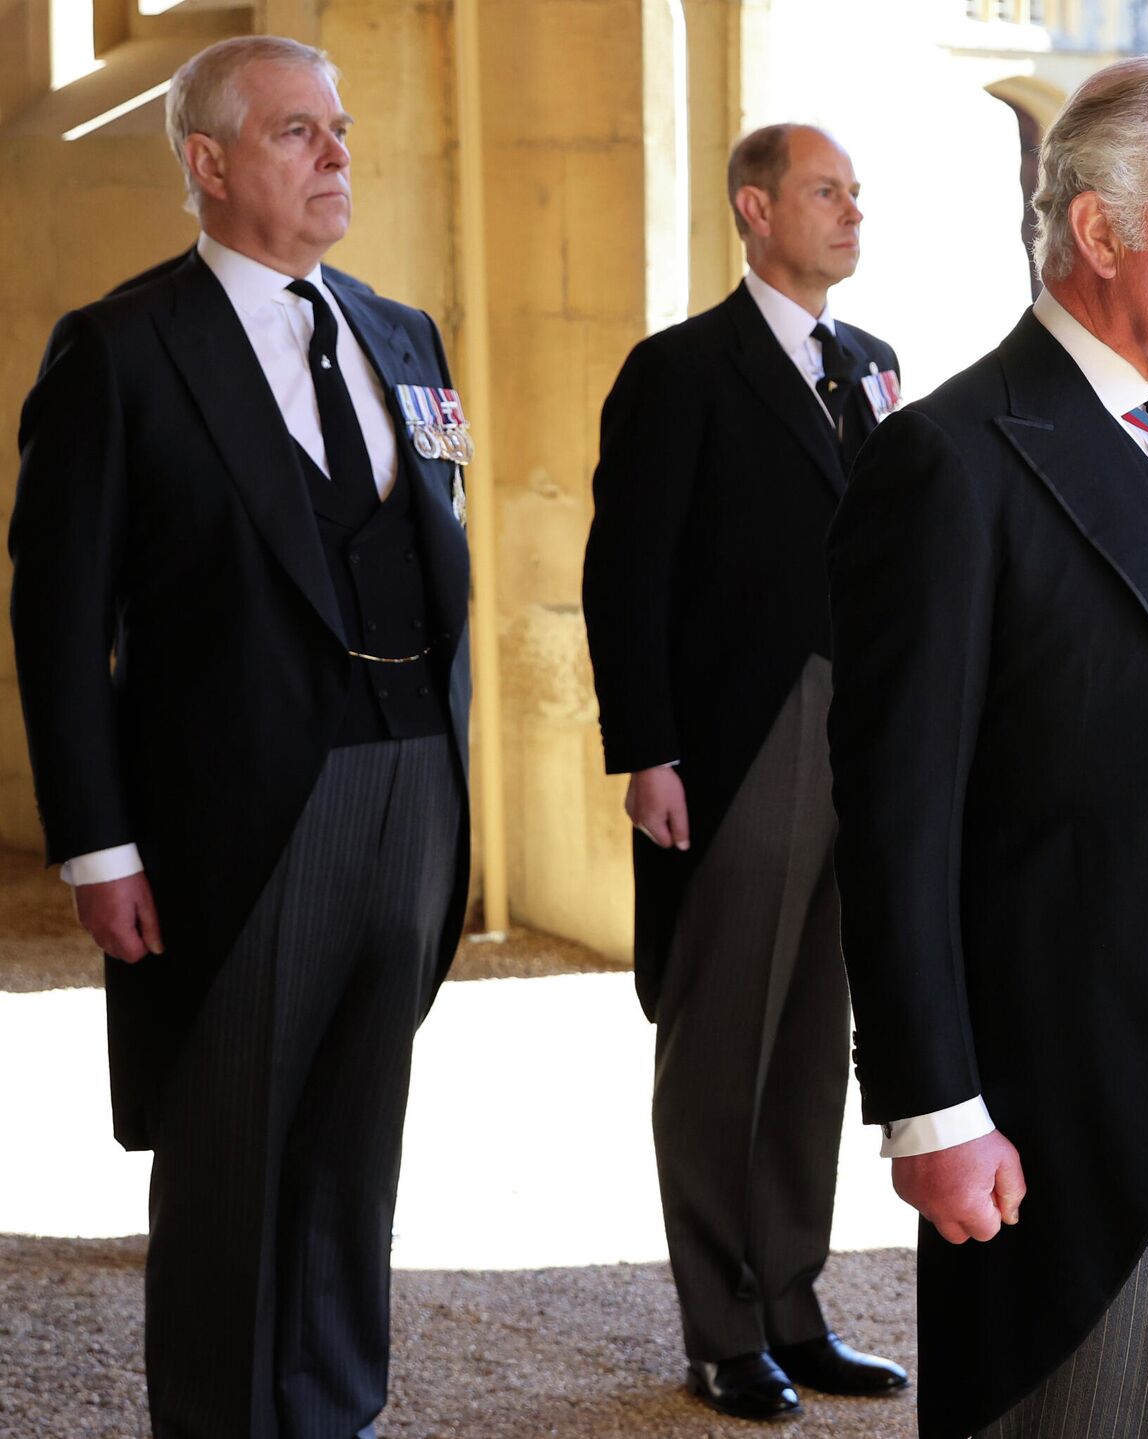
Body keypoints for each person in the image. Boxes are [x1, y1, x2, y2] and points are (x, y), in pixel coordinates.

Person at [826, 55, 1148, 1439]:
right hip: (1078, 1045)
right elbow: (895, 815)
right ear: (1101, 232)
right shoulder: (952, 460)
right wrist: (934, 1108)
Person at [9, 36, 472, 1438]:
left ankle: (336, 1409)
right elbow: (59, 617)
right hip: (236, 807)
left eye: (340, 127)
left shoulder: (403, 332)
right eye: (296, 131)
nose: (338, 154)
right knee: (228, 1154)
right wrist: (99, 845)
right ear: (207, 163)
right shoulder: (120, 349)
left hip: (412, 784)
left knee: (355, 1149)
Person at [580, 123, 906, 1422]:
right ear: (755, 210)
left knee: (816, 1041)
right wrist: (649, 750)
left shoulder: (871, 363)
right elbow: (626, 575)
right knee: (723, 1042)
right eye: (827, 191)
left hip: (860, 739)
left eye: (856, 191)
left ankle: (792, 1303)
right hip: (739, 739)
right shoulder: (678, 371)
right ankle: (721, 1326)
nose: (852, 210)